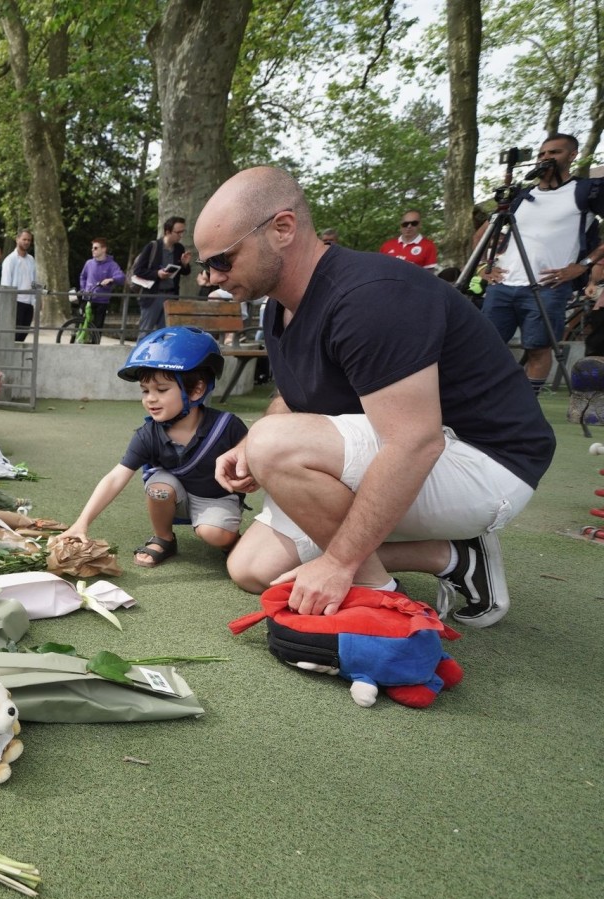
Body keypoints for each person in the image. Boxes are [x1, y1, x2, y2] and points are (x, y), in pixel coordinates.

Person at [197, 165, 556, 628]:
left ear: (283, 228)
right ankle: (452, 556)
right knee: (253, 569)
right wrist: (248, 447)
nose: (210, 277)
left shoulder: (371, 296)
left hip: (485, 464)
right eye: (205, 264)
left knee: (274, 445)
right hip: (421, 452)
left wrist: (339, 563)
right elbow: (295, 398)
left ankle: (376, 592)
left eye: (222, 259)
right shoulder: (279, 308)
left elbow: (415, 442)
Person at [61, 327, 248, 568]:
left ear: (196, 390)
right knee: (158, 487)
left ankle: (230, 542)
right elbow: (116, 477)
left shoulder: (227, 425)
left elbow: (258, 457)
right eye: (145, 390)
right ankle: (164, 537)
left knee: (214, 534)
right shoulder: (148, 434)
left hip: (215, 499)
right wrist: (82, 522)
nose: (150, 398)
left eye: (161, 390)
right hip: (174, 495)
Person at [479, 132, 604, 393]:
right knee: (484, 346)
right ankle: (486, 403)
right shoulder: (520, 196)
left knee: (538, 349)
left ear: (572, 155)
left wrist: (583, 264)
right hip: (503, 285)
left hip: (548, 286)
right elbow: (481, 235)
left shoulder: (586, 190)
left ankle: (524, 411)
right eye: (542, 154)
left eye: (554, 152)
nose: (546, 158)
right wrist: (484, 267)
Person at [131, 217, 194, 334]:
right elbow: (138, 270)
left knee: (165, 333)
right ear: (167, 231)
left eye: (183, 232)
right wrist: (157, 274)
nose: (181, 235)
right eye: (178, 232)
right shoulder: (153, 246)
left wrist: (185, 264)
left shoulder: (179, 248)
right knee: (146, 332)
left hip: (171, 296)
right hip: (153, 295)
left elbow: (185, 272)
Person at [79, 238, 125, 334]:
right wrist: (83, 289)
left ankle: (95, 345)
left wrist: (111, 279)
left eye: (95, 248)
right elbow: (83, 277)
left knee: (97, 329)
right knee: (81, 325)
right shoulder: (89, 263)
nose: (92, 250)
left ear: (103, 249)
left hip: (102, 301)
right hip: (87, 299)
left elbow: (121, 277)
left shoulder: (112, 265)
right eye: (92, 248)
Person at [0, 229, 37, 342]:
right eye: (24, 239)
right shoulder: (10, 260)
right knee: (13, 336)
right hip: (16, 302)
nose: (26, 242)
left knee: (23, 335)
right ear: (17, 239)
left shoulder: (31, 259)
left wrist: (37, 299)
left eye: (29, 240)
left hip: (29, 302)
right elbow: (6, 284)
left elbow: (34, 280)